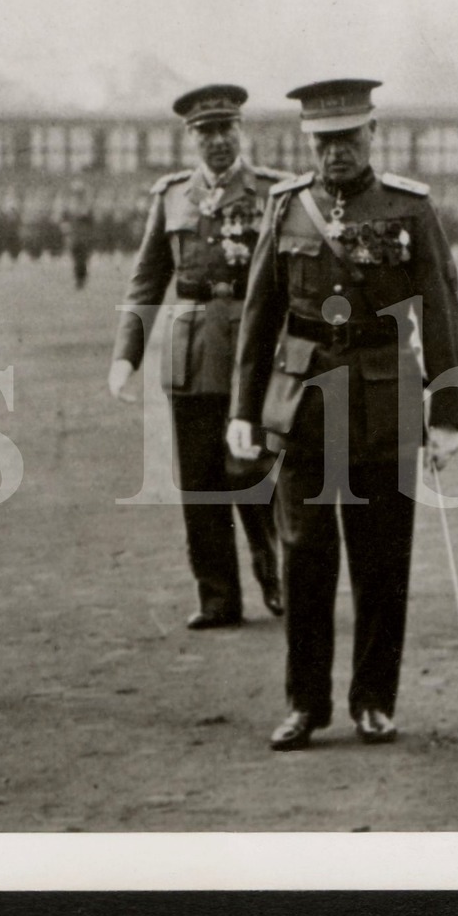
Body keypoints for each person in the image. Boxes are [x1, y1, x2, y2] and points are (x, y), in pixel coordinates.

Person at [229, 78, 458, 752]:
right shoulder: (286, 208)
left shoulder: (409, 208)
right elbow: (259, 317)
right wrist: (243, 412)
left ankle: (373, 701)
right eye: (323, 140)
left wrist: (446, 413)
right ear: (310, 141)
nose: (335, 152)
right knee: (304, 556)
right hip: (303, 406)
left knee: (381, 559)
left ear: (372, 134)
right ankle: (306, 703)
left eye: (347, 138)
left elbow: (441, 313)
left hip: (384, 401)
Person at [109, 84, 284, 629]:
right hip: (188, 355)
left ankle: (271, 564)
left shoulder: (272, 192)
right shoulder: (171, 196)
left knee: (252, 470)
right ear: (191, 139)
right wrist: (126, 355)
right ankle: (217, 597)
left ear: (241, 131)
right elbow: (146, 281)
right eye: (205, 133)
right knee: (199, 482)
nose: (216, 142)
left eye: (225, 129)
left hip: (251, 352)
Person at [62, 179, 95, 289]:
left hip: (84, 235)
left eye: (79, 192)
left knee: (82, 258)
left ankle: (81, 279)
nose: (77, 194)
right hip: (74, 235)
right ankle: (78, 278)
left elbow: (91, 221)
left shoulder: (87, 205)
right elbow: (64, 218)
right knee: (75, 257)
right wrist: (65, 227)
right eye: (76, 192)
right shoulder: (70, 205)